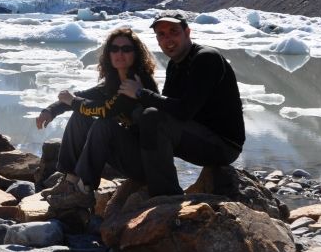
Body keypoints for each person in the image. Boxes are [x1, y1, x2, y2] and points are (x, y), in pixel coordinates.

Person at [118, 11, 245, 197]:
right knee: (141, 118)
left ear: (187, 32)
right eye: (161, 34)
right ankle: (143, 177)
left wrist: (140, 92)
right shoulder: (175, 64)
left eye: (173, 31)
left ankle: (165, 196)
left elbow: (184, 111)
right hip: (196, 136)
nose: (168, 38)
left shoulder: (206, 58)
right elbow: (167, 107)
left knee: (152, 118)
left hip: (222, 146)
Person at [35, 26, 159, 207]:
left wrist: (74, 102)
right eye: (114, 49)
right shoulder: (113, 82)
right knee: (80, 116)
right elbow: (82, 96)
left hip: (144, 161)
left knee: (104, 124)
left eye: (126, 49)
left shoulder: (138, 83)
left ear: (136, 54)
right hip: (125, 153)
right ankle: (70, 183)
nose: (120, 53)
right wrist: (51, 110)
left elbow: (106, 110)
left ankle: (84, 189)